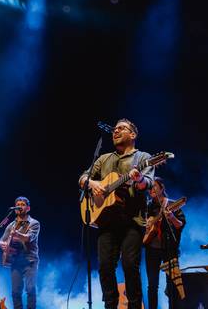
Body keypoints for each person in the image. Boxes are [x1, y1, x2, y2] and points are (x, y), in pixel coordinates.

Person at [79, 118, 154, 309]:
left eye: (122, 128)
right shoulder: (103, 158)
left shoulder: (143, 157)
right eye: (115, 129)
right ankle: (110, 306)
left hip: (132, 221)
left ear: (133, 135)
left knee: (130, 266)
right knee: (104, 267)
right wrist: (94, 183)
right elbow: (83, 178)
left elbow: (148, 183)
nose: (116, 131)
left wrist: (138, 180)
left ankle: (135, 306)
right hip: (107, 223)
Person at [145, 177, 186, 309]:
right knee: (152, 285)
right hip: (151, 249)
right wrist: (146, 226)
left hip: (169, 248)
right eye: (150, 187)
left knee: (173, 283)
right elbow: (139, 224)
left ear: (162, 188)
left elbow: (180, 225)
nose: (151, 189)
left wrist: (172, 217)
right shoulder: (147, 206)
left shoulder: (172, 204)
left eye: (154, 186)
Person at [0, 196, 40, 309]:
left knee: (30, 289)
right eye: (18, 204)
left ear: (28, 208)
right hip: (15, 261)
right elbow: (2, 240)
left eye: (22, 204)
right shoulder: (11, 225)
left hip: (30, 261)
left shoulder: (34, 223)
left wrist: (17, 234)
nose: (19, 206)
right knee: (16, 291)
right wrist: (2, 244)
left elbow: (29, 238)